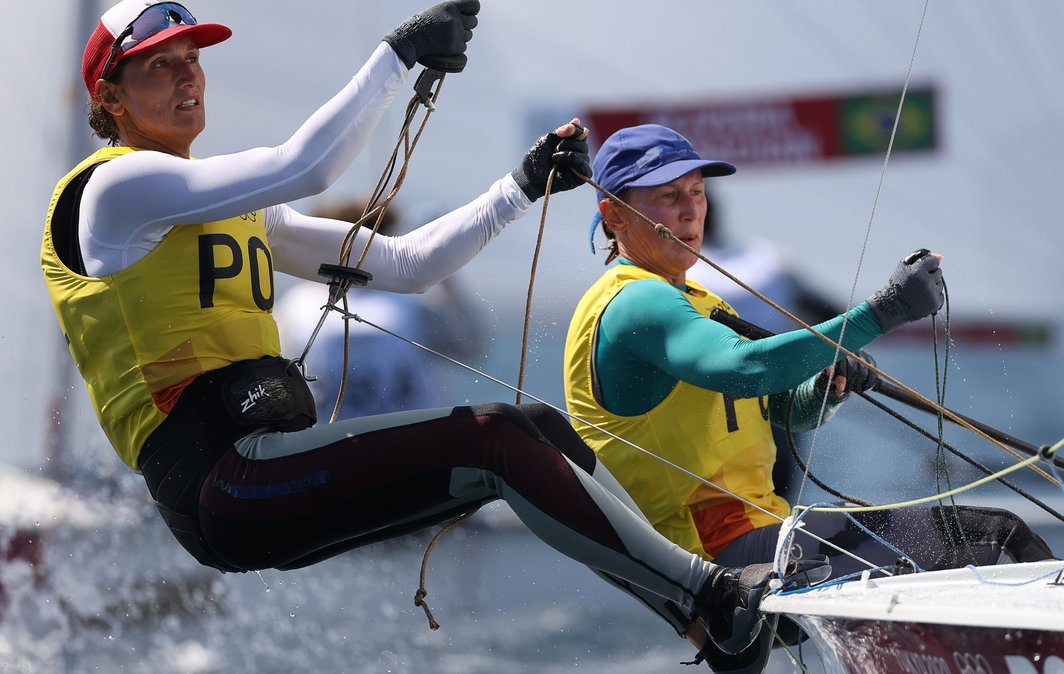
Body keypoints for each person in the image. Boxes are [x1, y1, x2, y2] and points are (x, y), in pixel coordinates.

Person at [41, 1, 785, 661]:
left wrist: (520, 187)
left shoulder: (240, 209)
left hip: (265, 466)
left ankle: (710, 630)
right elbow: (305, 164)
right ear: (110, 96)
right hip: (220, 486)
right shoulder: (111, 188)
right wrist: (398, 53)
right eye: (159, 66)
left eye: (194, 59)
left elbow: (405, 265)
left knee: (537, 428)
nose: (187, 77)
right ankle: (714, 590)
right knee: (496, 438)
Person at [563, 124, 1054, 671]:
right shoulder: (635, 303)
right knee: (997, 540)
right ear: (614, 215)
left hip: (757, 547)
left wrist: (821, 389)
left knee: (944, 591)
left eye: (697, 193)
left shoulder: (693, 299)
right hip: (722, 565)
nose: (689, 211)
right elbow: (745, 369)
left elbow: (778, 407)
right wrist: (883, 310)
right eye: (667, 196)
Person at [687, 192, 842, 503]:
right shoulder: (769, 256)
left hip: (714, 403)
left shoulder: (680, 271)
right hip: (778, 388)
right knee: (777, 493)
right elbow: (832, 312)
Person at [274, 198, 485, 420]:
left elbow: (470, 346)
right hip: (409, 442)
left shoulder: (291, 307)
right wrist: (440, 267)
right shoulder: (413, 297)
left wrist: (441, 267)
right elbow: (471, 346)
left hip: (339, 446)